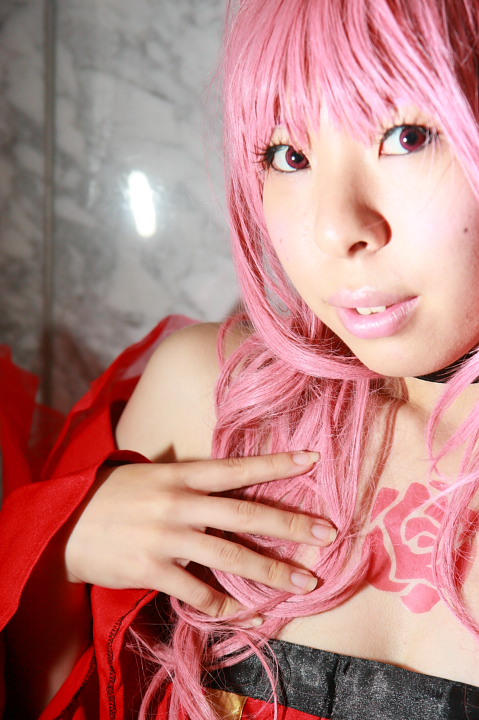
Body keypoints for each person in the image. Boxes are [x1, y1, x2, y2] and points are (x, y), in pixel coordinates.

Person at [2, 0, 479, 717]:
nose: (334, 228)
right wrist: (57, 549)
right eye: (289, 157)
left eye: (407, 136)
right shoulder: (204, 397)